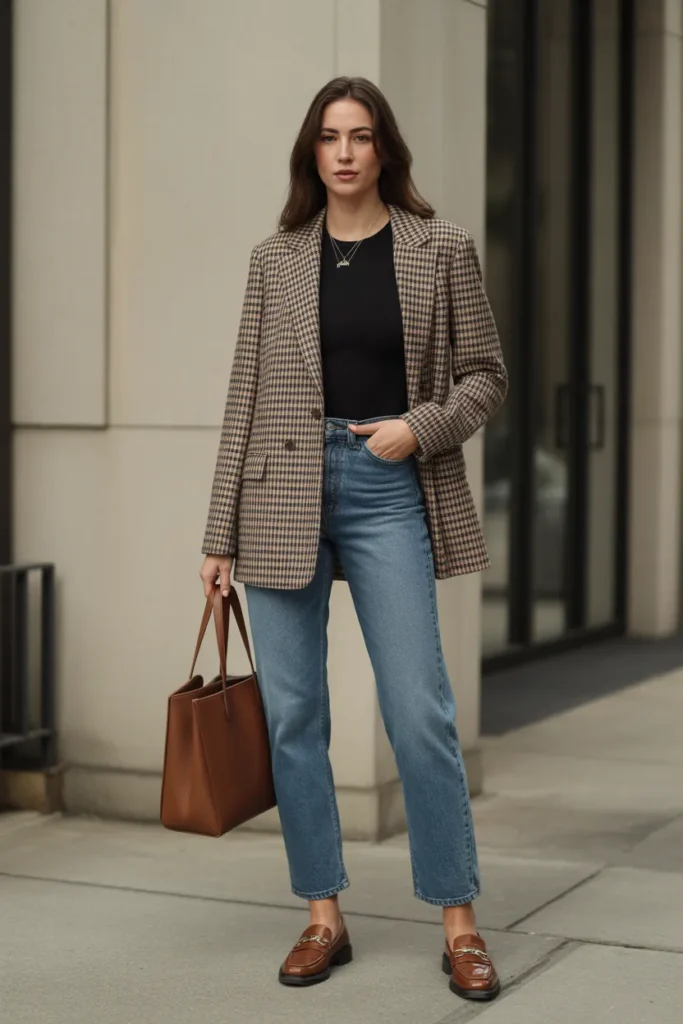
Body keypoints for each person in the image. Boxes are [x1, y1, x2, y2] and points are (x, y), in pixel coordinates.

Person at [199, 76, 507, 1000]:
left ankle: (458, 923)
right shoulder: (274, 258)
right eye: (329, 137)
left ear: (384, 151)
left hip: (385, 482)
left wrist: (421, 427)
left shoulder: (439, 247)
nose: (343, 152)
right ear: (312, 152)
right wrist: (217, 536)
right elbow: (242, 397)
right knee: (295, 717)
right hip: (280, 490)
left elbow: (485, 375)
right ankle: (321, 916)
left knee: (420, 712)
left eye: (360, 136)